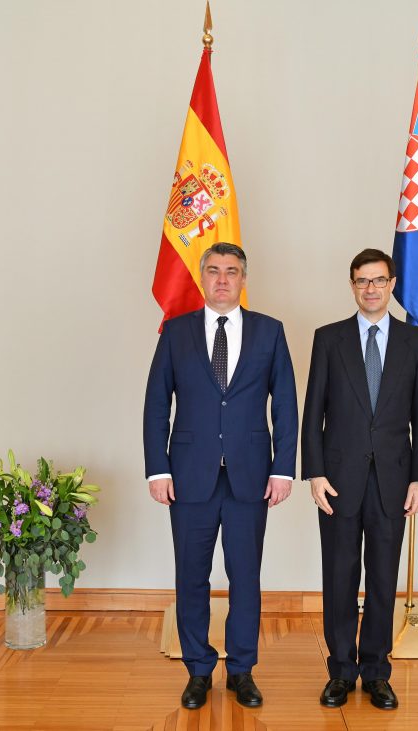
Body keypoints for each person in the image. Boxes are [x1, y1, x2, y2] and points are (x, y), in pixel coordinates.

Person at [144, 242, 298, 710]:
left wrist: (283, 468)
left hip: (251, 475)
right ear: (202, 277)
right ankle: (198, 670)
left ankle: (241, 670)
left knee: (245, 576)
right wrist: (158, 468)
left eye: (232, 271)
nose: (223, 279)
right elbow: (156, 404)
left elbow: (286, 405)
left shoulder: (270, 331)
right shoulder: (176, 332)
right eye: (214, 270)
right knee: (191, 575)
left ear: (243, 279)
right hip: (189, 475)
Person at [301, 248, 418, 711]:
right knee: (339, 576)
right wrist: (314, 472)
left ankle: (377, 671)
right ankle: (340, 670)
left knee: (382, 578)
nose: (371, 288)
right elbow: (313, 412)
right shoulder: (328, 339)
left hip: (394, 481)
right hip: (338, 480)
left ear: (392, 284)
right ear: (352, 286)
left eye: (379, 280)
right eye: (362, 281)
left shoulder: (416, 342)